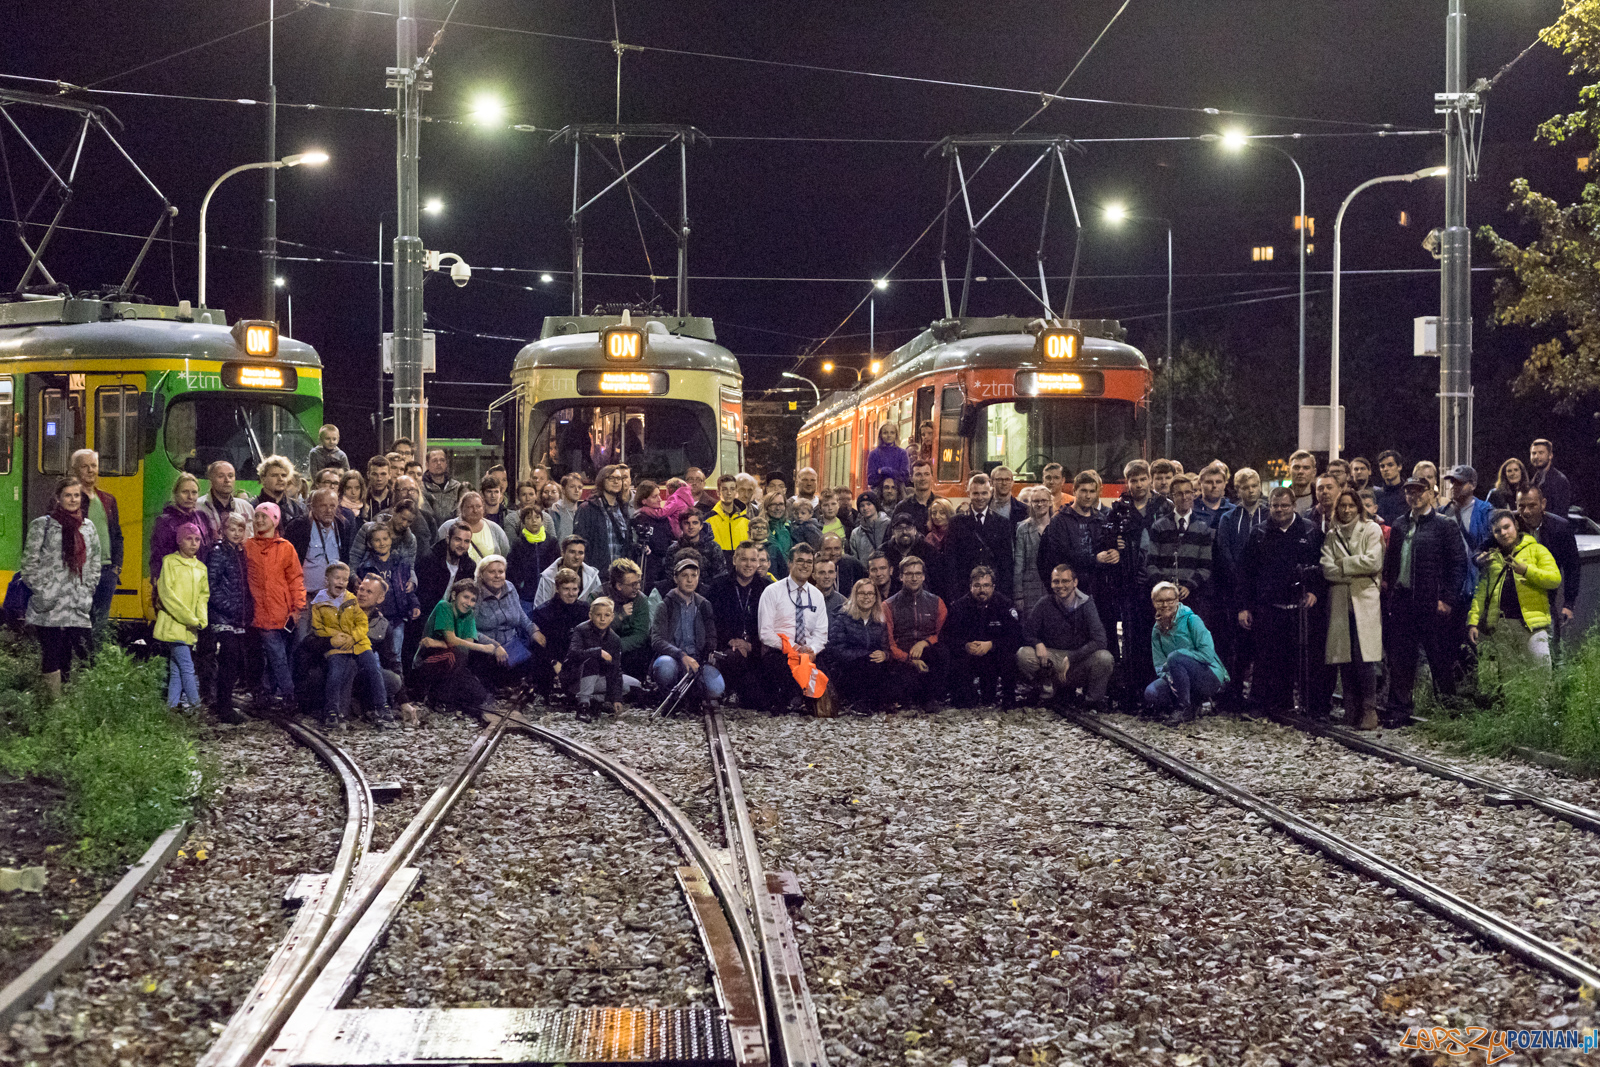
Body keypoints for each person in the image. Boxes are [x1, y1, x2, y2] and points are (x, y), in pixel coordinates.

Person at [1380, 478, 1467, 725]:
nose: (1414, 496)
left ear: (1430, 494)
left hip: (1432, 603)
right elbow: (1391, 564)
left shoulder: (1444, 525)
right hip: (1403, 602)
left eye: (1419, 491)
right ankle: (1400, 709)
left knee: (1439, 658)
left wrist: (1448, 598)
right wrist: (1390, 594)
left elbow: (1458, 564)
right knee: (1401, 660)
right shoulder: (1399, 524)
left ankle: (1449, 712)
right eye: (1409, 492)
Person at [1237, 487, 1324, 714]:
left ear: (1294, 506)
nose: (1280, 510)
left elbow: (1321, 566)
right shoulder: (1259, 533)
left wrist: (1314, 590)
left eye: (1285, 505)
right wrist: (1244, 607)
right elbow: (1245, 573)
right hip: (1268, 608)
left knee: (1302, 660)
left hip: (1300, 609)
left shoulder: (1310, 531)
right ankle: (1265, 705)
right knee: (1266, 659)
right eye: (1275, 505)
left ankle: (1308, 707)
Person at [21, 479, 101, 696]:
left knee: (86, 653)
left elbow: (95, 562)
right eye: (68, 495)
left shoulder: (88, 527)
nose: (73, 500)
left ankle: (80, 701)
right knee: (53, 654)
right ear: (58, 498)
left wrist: (88, 588)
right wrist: (43, 590)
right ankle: (55, 706)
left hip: (77, 603)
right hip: (50, 604)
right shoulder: (43, 525)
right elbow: (29, 564)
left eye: (76, 495)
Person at [1322, 489, 1385, 730]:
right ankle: (1351, 707)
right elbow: (1326, 569)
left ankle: (1369, 709)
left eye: (1351, 506)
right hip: (1341, 601)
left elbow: (1374, 561)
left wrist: (1343, 566)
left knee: (1364, 657)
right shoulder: (1332, 535)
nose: (1346, 510)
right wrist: (1356, 571)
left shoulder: (1371, 530)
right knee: (1345, 657)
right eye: (1342, 506)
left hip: (1364, 600)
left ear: (1359, 508)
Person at [1469, 510, 1563, 669]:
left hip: (1533, 625)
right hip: (1502, 628)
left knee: (1541, 675)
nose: (1503, 533)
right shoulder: (1492, 558)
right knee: (1511, 683)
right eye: (1497, 531)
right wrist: (1473, 622)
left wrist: (1527, 570)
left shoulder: (1536, 550)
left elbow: (1554, 579)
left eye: (1507, 527)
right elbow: (1480, 593)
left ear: (1516, 526)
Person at [1016, 563, 1115, 711]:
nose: (1060, 585)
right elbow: (1026, 632)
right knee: (1023, 654)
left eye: (1065, 581)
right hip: (1052, 660)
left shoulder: (1086, 604)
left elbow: (1100, 640)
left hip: (1077, 660)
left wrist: (1073, 657)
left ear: (1075, 582)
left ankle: (1092, 701)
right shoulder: (1044, 603)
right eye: (1056, 581)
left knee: (1104, 658)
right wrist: (1037, 643)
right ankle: (1047, 691)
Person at [312, 562, 394, 729]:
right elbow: (317, 627)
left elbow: (362, 623)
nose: (341, 582)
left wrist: (353, 636)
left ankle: (382, 706)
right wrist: (334, 636)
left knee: (373, 668)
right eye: (337, 578)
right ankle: (332, 710)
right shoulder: (319, 602)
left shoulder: (350, 600)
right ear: (327, 580)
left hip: (358, 642)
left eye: (344, 579)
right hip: (338, 645)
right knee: (335, 673)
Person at [1214, 467, 1270, 703]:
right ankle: (1233, 693)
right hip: (1235, 590)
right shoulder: (1228, 518)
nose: (1250, 490)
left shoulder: (1269, 515)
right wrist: (1239, 578)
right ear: (1237, 490)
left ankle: (1260, 695)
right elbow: (1224, 551)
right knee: (1237, 646)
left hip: (1264, 590)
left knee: (1263, 646)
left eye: (1254, 485)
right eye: (1245, 487)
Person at [244, 502, 304, 711]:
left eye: (264, 517)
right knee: (277, 656)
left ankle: (269, 691)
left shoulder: (286, 548)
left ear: (275, 520)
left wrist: (297, 608)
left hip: (284, 613)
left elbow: (295, 579)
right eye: (257, 516)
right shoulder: (248, 546)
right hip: (260, 614)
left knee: (280, 656)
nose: (259, 520)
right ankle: (289, 695)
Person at [1144, 581, 1227, 725]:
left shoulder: (1192, 620)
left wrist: (1180, 656)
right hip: (1177, 679)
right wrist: (1170, 677)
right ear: (1153, 602)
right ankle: (1195, 703)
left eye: (1170, 600)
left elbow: (1207, 654)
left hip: (1208, 675)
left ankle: (1184, 708)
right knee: (1151, 693)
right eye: (1160, 601)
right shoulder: (1157, 629)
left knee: (1175, 658)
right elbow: (1158, 664)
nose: (1165, 605)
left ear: (1177, 600)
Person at [757, 543, 828, 712]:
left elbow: (821, 632)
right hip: (780, 651)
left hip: (809, 652)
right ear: (789, 563)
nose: (805, 565)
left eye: (809, 562)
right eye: (800, 561)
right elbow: (765, 633)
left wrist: (811, 650)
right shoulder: (772, 592)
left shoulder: (817, 595)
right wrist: (794, 648)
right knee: (778, 666)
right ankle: (792, 699)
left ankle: (808, 700)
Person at [1143, 474, 1217, 628]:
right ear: (1172, 497)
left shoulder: (1203, 528)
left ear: (1193, 494)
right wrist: (1166, 588)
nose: (1184, 497)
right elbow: (1150, 564)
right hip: (1164, 599)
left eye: (1188, 492)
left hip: (1193, 597)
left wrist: (1189, 585)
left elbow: (1205, 566)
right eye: (1179, 494)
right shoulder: (1159, 526)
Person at [649, 557, 724, 709]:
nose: (690, 580)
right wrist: (681, 655)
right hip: (673, 658)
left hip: (698, 661)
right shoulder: (665, 606)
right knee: (665, 668)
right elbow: (657, 640)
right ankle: (668, 693)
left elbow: (711, 636)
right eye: (685, 576)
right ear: (676, 578)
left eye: (694, 575)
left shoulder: (704, 605)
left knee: (717, 688)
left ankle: (690, 694)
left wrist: (708, 652)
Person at [946, 565, 1022, 709]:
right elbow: (949, 637)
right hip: (969, 656)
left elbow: (1015, 637)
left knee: (1009, 657)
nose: (982, 590)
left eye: (986, 585)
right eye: (977, 586)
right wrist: (965, 646)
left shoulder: (1005, 605)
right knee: (963, 702)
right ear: (970, 587)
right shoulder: (959, 607)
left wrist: (992, 645)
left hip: (994, 655)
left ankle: (1008, 697)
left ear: (993, 587)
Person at [412, 578, 492, 714]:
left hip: (454, 663)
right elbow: (453, 641)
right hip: (427, 662)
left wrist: (440, 643)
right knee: (455, 654)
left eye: (473, 600)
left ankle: (440, 695)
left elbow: (467, 645)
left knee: (479, 695)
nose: (469, 603)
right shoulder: (445, 606)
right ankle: (439, 699)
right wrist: (483, 647)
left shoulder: (469, 614)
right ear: (454, 595)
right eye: (466, 597)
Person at [706, 541, 771, 706]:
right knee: (733, 657)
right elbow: (712, 621)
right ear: (734, 560)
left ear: (758, 562)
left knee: (760, 703)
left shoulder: (767, 589)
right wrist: (730, 640)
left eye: (753, 560)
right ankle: (730, 690)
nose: (748, 564)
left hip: (757, 649)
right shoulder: (718, 587)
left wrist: (751, 645)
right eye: (744, 559)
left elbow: (772, 624)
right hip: (728, 649)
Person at [883, 554, 948, 713]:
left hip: (927, 653)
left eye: (918, 574)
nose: (914, 578)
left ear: (924, 576)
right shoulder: (888, 605)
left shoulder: (936, 602)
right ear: (900, 577)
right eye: (909, 574)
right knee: (901, 692)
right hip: (902, 657)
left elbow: (943, 634)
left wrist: (924, 642)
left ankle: (930, 698)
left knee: (942, 652)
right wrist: (909, 659)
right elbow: (889, 643)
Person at [155, 522, 209, 711]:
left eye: (197, 540)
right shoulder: (170, 562)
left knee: (177, 669)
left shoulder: (201, 568)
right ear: (179, 541)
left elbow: (203, 595)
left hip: (190, 626)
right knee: (187, 667)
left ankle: (171, 706)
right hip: (174, 624)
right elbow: (167, 594)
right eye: (189, 539)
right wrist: (189, 618)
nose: (194, 543)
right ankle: (196, 706)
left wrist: (201, 619)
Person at [207, 514, 253, 723]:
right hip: (223, 617)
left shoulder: (240, 553)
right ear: (223, 531)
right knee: (229, 658)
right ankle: (223, 706)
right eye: (232, 529)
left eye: (240, 530)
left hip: (238, 617)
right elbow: (212, 585)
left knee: (234, 662)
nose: (236, 534)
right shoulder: (219, 553)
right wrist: (230, 607)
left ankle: (224, 703)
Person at [69, 449, 124, 626]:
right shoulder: (69, 500)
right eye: (85, 466)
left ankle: (97, 654)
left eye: (94, 466)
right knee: (79, 623)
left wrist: (117, 567)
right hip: (81, 572)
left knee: (100, 624)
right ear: (75, 470)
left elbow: (116, 535)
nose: (91, 470)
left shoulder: (108, 500)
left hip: (107, 571)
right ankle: (81, 654)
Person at [1516, 485, 1579, 633]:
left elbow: (1572, 567)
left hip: (1546, 599)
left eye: (1532, 505)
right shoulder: (1511, 525)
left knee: (1549, 650)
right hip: (1515, 601)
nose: (1526, 511)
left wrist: (1569, 604)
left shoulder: (1560, 528)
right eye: (1521, 506)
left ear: (1543, 504)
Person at [356, 522, 419, 665]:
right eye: (377, 540)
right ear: (370, 544)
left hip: (396, 619)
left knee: (395, 654)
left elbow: (407, 588)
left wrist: (415, 604)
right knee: (375, 656)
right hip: (375, 619)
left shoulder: (401, 563)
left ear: (391, 540)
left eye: (385, 539)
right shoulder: (366, 567)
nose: (382, 543)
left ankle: (398, 684)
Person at [825, 579, 893, 710]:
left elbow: (886, 647)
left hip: (873, 666)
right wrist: (865, 655)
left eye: (870, 594)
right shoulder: (842, 617)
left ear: (875, 597)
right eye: (862, 593)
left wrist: (885, 655)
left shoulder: (880, 621)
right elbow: (836, 650)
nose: (866, 597)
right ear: (855, 596)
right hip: (847, 668)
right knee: (866, 666)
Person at [566, 597, 639, 718]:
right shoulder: (581, 630)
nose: (602, 619)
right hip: (577, 678)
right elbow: (574, 654)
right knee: (592, 660)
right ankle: (583, 705)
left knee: (628, 686)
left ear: (612, 617)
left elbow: (616, 669)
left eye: (607, 615)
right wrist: (598, 652)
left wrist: (617, 699)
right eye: (598, 615)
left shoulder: (614, 639)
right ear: (590, 615)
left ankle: (595, 700)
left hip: (599, 679)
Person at [948, 473, 1015, 599]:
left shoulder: (1002, 523)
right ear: (968, 493)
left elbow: (1006, 563)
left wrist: (1004, 594)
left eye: (984, 493)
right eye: (976, 493)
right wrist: (954, 594)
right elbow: (951, 561)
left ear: (991, 493)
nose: (980, 498)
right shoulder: (956, 523)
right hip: (965, 591)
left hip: (994, 591)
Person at [472, 554, 536, 685]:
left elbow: (521, 615)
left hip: (512, 645)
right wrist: (495, 646)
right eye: (492, 572)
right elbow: (469, 629)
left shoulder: (510, 587)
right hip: (486, 649)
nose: (497, 576)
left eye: (501, 572)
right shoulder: (474, 593)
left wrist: (534, 630)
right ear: (481, 574)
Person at [529, 568, 589, 694]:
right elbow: (539, 646)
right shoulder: (542, 612)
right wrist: (554, 662)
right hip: (551, 660)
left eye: (574, 589)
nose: (571, 593)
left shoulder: (585, 610)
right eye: (566, 589)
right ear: (557, 589)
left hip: (577, 660)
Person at [1439, 464, 1494, 602]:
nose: (1454, 487)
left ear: (1473, 485)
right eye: (1452, 482)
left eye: (1460, 483)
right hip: (1450, 585)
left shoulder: (1485, 512)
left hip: (1475, 583)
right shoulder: (1442, 512)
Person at [151, 473, 215, 583]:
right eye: (185, 492)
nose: (190, 497)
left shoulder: (202, 517)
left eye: (194, 492)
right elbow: (157, 555)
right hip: (175, 582)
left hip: (200, 581)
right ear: (175, 494)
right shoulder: (165, 521)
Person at [596, 557, 653, 680]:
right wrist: (619, 616)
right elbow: (596, 630)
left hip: (625, 648)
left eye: (638, 582)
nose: (637, 587)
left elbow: (640, 634)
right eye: (633, 584)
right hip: (602, 647)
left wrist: (618, 647)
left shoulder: (640, 600)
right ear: (619, 585)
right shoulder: (599, 596)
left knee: (641, 652)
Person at [633, 479, 695, 587]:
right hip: (648, 568)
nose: (660, 499)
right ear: (643, 501)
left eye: (659, 495)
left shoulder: (664, 518)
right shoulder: (639, 519)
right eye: (654, 496)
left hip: (665, 567)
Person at [418, 523, 477, 617]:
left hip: (453, 617)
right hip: (427, 616)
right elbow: (424, 599)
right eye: (458, 539)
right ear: (448, 539)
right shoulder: (430, 560)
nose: (462, 545)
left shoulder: (469, 566)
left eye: (466, 541)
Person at [508, 504, 559, 612]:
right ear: (523, 522)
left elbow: (558, 567)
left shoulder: (551, 542)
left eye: (537, 517)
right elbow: (512, 570)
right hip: (526, 596)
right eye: (529, 518)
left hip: (548, 595)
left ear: (542, 520)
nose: (533, 521)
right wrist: (519, 586)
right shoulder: (518, 544)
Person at [437, 491, 512, 563]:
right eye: (470, 507)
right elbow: (438, 553)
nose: (475, 510)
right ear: (462, 508)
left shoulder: (495, 529)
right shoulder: (447, 527)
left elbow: (506, 555)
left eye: (478, 506)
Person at [1012, 486, 1052, 618]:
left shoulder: (1058, 525)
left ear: (1050, 502)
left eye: (1043, 500)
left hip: (1053, 588)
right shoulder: (1022, 528)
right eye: (1035, 501)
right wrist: (1018, 596)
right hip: (1029, 590)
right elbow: (1019, 564)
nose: (1040, 504)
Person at [912, 498, 960, 606]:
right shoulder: (928, 538)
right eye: (934, 513)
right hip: (933, 586)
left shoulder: (956, 535)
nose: (937, 516)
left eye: (942, 513)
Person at [533, 535, 602, 607]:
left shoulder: (592, 576)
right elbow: (539, 606)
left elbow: (600, 604)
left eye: (580, 553)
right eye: (572, 552)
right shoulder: (548, 576)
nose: (577, 557)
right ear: (562, 553)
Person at [254, 455, 308, 526]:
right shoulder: (253, 508)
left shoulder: (296, 509)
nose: (280, 479)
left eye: (284, 475)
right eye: (274, 475)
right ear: (263, 478)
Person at [707, 474, 750, 562]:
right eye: (724, 489)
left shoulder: (746, 520)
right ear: (718, 492)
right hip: (718, 570)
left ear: (736, 492)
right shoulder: (708, 520)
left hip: (741, 569)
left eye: (732, 489)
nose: (729, 493)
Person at [420, 448, 466, 526]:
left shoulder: (458, 488)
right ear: (427, 465)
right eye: (434, 460)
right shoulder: (421, 489)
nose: (439, 463)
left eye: (442, 460)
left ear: (446, 464)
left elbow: (461, 515)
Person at [1529, 438, 1573, 517]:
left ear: (1550, 455)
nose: (1536, 456)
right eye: (1533, 453)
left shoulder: (1560, 480)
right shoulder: (1534, 479)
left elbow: (1560, 515)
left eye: (1541, 453)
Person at [892, 460, 937, 533]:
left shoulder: (942, 505)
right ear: (911, 478)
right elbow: (891, 535)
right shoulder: (902, 507)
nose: (923, 478)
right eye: (918, 474)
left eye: (926, 474)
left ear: (932, 477)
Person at [865, 423, 911, 490]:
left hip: (898, 490)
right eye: (885, 433)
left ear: (896, 435)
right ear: (880, 435)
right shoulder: (874, 454)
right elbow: (871, 479)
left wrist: (886, 471)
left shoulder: (902, 453)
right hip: (878, 491)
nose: (889, 435)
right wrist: (895, 473)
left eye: (892, 433)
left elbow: (905, 477)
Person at [849, 492, 888, 565]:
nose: (865, 508)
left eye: (869, 504)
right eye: (862, 505)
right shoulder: (856, 533)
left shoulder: (888, 525)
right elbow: (855, 557)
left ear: (875, 505)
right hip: (865, 572)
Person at [1373, 450, 1409, 524]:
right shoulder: (1376, 495)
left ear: (1399, 467)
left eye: (1390, 465)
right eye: (1382, 466)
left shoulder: (1409, 493)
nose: (1385, 469)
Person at [546, 472, 584, 540]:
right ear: (563, 490)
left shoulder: (584, 512)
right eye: (572, 487)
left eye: (580, 487)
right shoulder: (554, 511)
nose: (577, 490)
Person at [362, 456, 395, 520]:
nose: (379, 478)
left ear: (390, 475)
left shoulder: (396, 500)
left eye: (383, 474)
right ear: (368, 475)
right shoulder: (361, 500)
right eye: (374, 474)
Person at [1287, 450, 1317, 515]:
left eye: (1306, 468)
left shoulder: (1321, 502)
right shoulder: (1279, 501)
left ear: (1314, 472)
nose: (1300, 471)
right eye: (1296, 467)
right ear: (1289, 470)